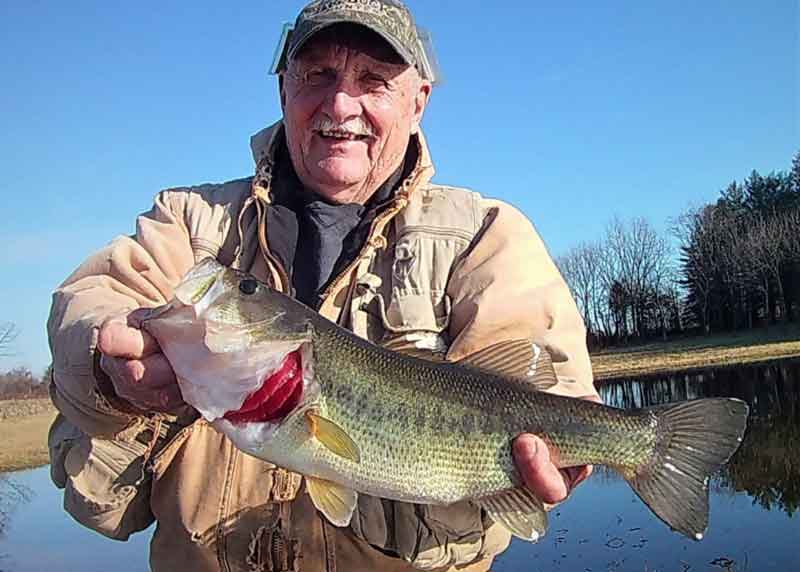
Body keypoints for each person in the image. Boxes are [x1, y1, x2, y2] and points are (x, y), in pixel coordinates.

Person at [47, 1, 599, 571]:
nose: (340, 104)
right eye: (317, 75)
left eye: (374, 80)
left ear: (418, 103)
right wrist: (103, 360)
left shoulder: (483, 236)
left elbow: (545, 376)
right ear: (284, 90)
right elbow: (94, 299)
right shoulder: (193, 222)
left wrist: (574, 436)